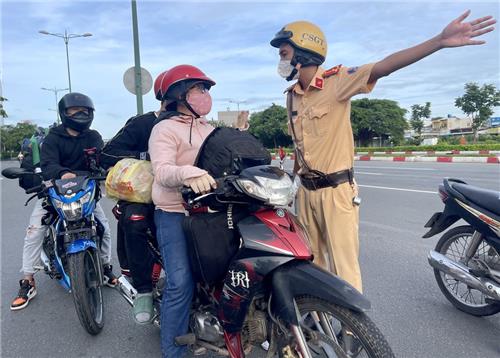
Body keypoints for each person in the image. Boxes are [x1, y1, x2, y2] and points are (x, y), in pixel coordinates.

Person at [270, 11, 496, 293]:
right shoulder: (292, 96)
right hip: (305, 192)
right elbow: (300, 146)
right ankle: (318, 323)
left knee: (343, 268)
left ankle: (351, 333)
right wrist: (291, 186)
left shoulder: (337, 82)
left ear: (303, 52)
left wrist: (439, 41)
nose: (280, 61)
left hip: (336, 191)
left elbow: (384, 66)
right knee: (311, 263)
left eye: (284, 53)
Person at [10, 92, 118, 311]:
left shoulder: (93, 137)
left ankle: (105, 266)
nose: (80, 114)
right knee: (34, 231)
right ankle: (28, 280)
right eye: (74, 111)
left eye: (84, 111)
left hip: (84, 192)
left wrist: (111, 170)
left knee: (104, 227)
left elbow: (100, 160)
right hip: (55, 193)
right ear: (64, 113)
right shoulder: (53, 138)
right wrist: (63, 173)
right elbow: (48, 164)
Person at [148, 64, 217, 357]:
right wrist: (191, 173)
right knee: (180, 283)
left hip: (208, 211)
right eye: (198, 89)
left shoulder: (209, 128)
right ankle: (172, 352)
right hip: (173, 211)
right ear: (179, 94)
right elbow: (162, 171)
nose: (204, 95)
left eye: (205, 90)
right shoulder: (164, 129)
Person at [100, 75, 168, 324]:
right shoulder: (142, 124)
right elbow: (107, 154)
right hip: (142, 194)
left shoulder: (195, 124)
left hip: (180, 192)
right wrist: (145, 158)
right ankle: (144, 290)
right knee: (135, 219)